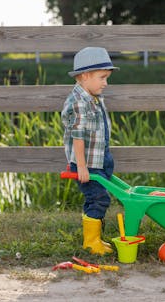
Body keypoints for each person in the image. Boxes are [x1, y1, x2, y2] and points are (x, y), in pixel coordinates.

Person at [61, 47, 119, 255]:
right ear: (85, 76)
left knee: (100, 197)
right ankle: (91, 242)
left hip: (99, 158)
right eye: (102, 77)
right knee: (98, 198)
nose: (106, 83)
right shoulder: (78, 103)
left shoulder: (92, 96)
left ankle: (95, 238)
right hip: (87, 163)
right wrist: (82, 167)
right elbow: (78, 137)